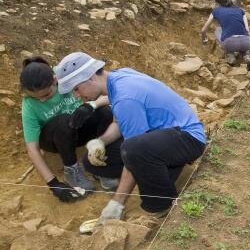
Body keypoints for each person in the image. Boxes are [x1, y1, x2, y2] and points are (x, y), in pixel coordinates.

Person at [54, 52, 207, 221]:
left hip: (187, 137)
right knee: (91, 162)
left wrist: (117, 202)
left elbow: (133, 152)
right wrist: (99, 142)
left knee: (132, 150)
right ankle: (169, 170)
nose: (76, 95)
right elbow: (119, 123)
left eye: (76, 88)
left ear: (90, 78)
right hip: (163, 137)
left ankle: (160, 205)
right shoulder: (118, 78)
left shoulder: (125, 97)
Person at [19, 56, 123, 201]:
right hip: (55, 139)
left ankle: (99, 164)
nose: (42, 100)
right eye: (37, 98)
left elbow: (113, 95)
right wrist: (52, 183)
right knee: (64, 120)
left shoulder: (65, 74)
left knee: (105, 112)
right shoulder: (29, 105)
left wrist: (91, 105)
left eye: (47, 95)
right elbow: (32, 149)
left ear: (55, 80)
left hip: (79, 128)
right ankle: (72, 170)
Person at [200, 0, 250, 70]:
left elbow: (203, 30)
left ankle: (230, 55)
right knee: (242, 37)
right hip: (246, 42)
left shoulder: (216, 11)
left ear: (217, 3)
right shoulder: (240, 10)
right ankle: (246, 56)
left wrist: (204, 39)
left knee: (218, 30)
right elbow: (247, 29)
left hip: (230, 43)